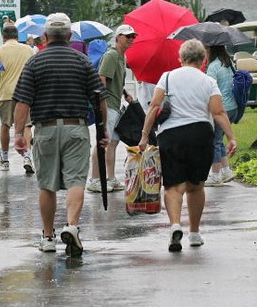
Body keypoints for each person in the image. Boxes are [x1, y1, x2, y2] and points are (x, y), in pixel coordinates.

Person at [13, 13, 109, 256]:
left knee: (47, 185)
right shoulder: (83, 61)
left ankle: (47, 236)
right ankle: (72, 225)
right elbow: (99, 100)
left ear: (45, 37)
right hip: (76, 128)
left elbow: (23, 102)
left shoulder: (35, 63)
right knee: (76, 180)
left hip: (45, 129)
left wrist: (18, 134)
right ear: (69, 36)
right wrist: (103, 129)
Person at [138, 39, 236, 252]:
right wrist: (231, 137)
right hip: (200, 134)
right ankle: (194, 233)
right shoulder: (208, 81)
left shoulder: (167, 77)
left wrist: (145, 136)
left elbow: (155, 106)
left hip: (171, 135)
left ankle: (175, 225)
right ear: (203, 60)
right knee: (196, 186)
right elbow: (218, 112)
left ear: (180, 58)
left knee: (173, 186)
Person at [0, 25, 35, 174]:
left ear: (4, 37)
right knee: (27, 126)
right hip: (26, 92)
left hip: (7, 93)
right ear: (17, 36)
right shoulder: (28, 50)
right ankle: (27, 156)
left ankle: (4, 158)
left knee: (5, 125)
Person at [87, 24, 136, 193]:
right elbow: (102, 78)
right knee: (102, 142)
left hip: (116, 103)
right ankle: (94, 179)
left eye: (132, 36)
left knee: (113, 142)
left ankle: (110, 177)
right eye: (127, 36)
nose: (130, 39)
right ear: (118, 37)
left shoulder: (122, 57)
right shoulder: (112, 55)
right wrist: (103, 102)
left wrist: (124, 93)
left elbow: (116, 80)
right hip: (108, 105)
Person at [204, 45, 237, 186]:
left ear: (211, 49)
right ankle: (226, 171)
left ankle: (216, 175)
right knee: (219, 139)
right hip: (232, 107)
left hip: (221, 108)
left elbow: (208, 88)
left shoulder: (213, 66)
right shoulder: (227, 63)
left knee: (215, 141)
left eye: (206, 49)